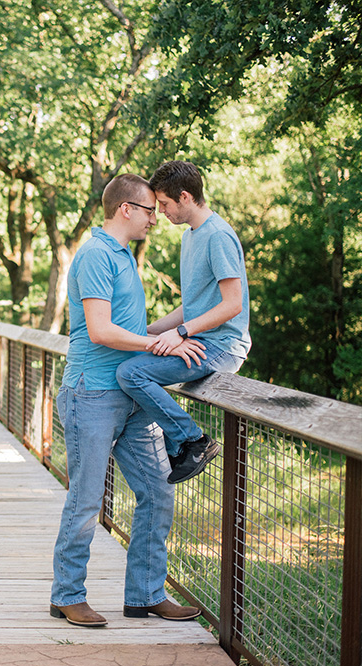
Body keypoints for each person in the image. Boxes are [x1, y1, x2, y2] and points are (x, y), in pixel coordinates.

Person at [50, 173, 204, 628]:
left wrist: (183, 327)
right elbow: (100, 331)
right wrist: (163, 348)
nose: (156, 218)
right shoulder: (97, 254)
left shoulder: (121, 256)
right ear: (127, 209)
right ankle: (67, 596)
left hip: (130, 396)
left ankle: (145, 595)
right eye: (150, 210)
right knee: (86, 500)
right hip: (91, 394)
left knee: (157, 492)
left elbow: (133, 329)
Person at [116, 161, 251, 484]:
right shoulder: (191, 237)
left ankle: (194, 441)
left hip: (223, 346)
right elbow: (191, 307)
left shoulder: (217, 236)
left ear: (186, 197)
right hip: (200, 340)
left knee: (131, 373)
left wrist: (180, 333)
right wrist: (147, 332)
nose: (160, 212)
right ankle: (178, 442)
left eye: (164, 204)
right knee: (130, 359)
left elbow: (233, 305)